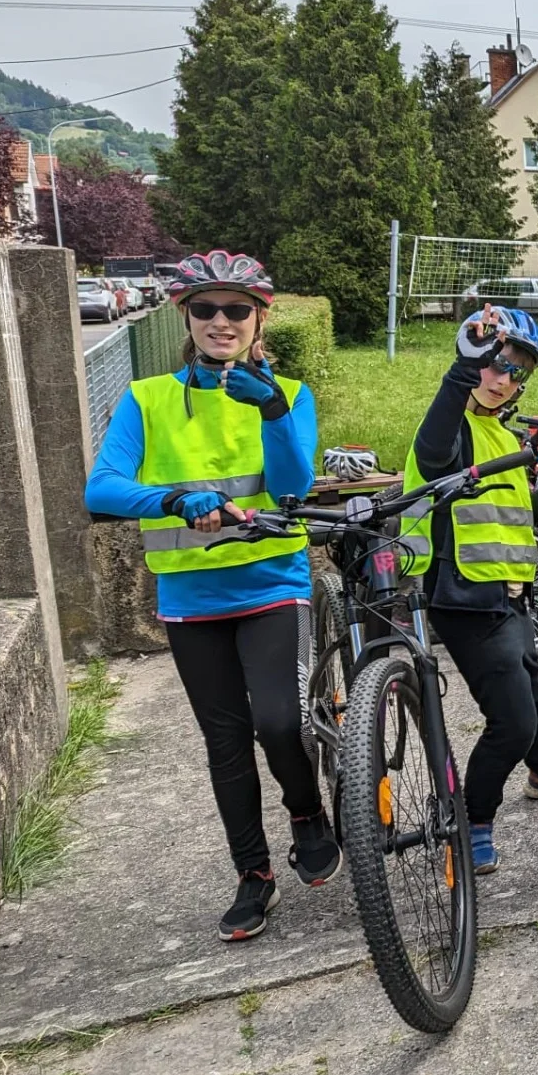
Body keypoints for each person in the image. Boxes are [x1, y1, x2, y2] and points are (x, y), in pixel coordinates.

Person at [84, 251, 332, 943]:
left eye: (236, 309)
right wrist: (169, 496)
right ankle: (254, 874)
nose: (221, 321)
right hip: (192, 600)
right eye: (205, 309)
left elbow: (292, 489)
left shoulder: (291, 392)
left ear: (259, 319)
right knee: (224, 741)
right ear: (184, 317)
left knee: (281, 722)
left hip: (272, 584)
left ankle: (308, 811)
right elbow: (100, 488)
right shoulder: (146, 398)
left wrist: (277, 412)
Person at [402, 304, 538, 876]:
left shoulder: (500, 431)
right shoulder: (452, 423)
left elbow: (517, 516)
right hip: (462, 594)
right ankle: (472, 822)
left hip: (510, 593)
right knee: (512, 721)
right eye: (494, 365)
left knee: (531, 689)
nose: (502, 380)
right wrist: (461, 372)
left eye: (516, 372)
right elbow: (432, 456)